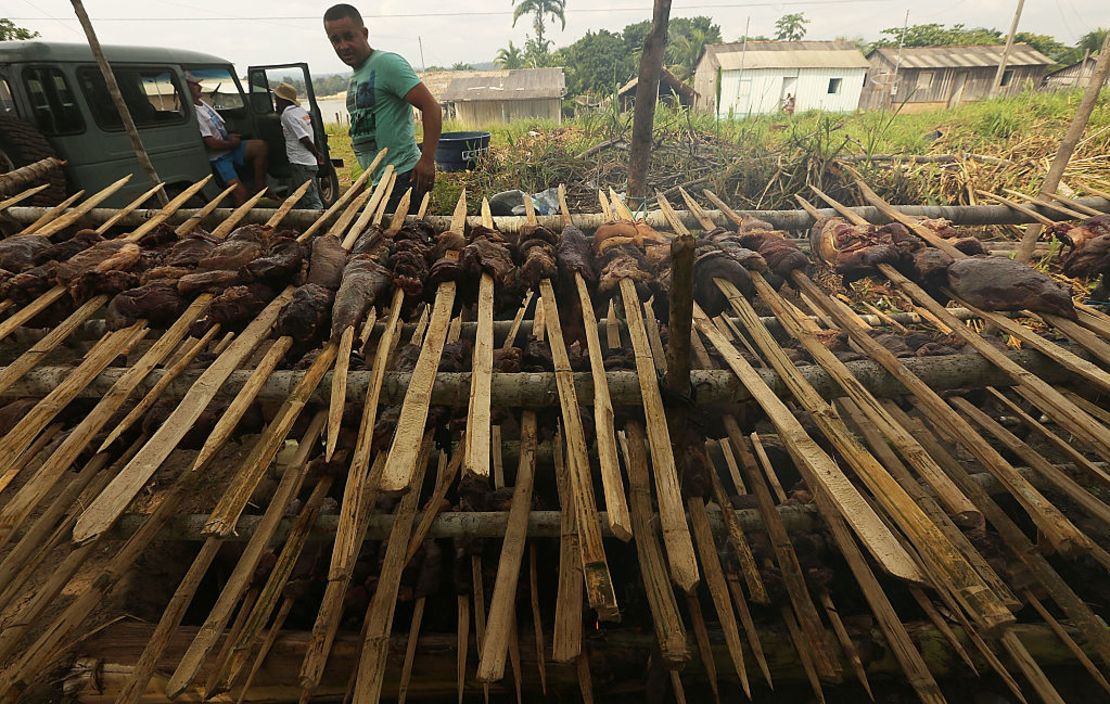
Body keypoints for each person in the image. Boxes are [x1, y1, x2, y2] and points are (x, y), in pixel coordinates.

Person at [323, 4, 441, 211]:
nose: (343, 46)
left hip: (403, 176)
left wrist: (427, 159)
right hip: (381, 180)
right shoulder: (357, 76)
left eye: (348, 36)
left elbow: (431, 107)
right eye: (335, 40)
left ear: (364, 33)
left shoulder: (386, 64)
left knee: (405, 241)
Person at [187, 72, 269, 206]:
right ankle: (241, 223)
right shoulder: (193, 111)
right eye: (195, 85)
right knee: (240, 193)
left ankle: (260, 187)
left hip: (228, 147)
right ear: (186, 88)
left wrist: (230, 137)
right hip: (218, 157)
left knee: (260, 147)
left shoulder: (201, 104)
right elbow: (211, 143)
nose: (199, 87)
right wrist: (232, 143)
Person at [274, 82, 325, 210]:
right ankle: (295, 225)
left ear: (282, 100)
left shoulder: (287, 115)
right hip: (306, 162)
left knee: (311, 200)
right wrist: (318, 152)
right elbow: (312, 132)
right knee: (294, 197)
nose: (275, 102)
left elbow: (303, 138)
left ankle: (320, 224)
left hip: (300, 162)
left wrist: (316, 153)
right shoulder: (300, 111)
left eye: (277, 98)